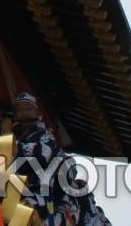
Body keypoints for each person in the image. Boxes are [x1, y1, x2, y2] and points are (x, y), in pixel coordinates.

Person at [10, 93, 83, 226]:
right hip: (12, 188)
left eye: (28, 108)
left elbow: (40, 158)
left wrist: (14, 147)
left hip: (39, 191)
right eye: (20, 109)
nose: (24, 112)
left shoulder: (45, 135)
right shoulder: (11, 135)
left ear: (37, 112)